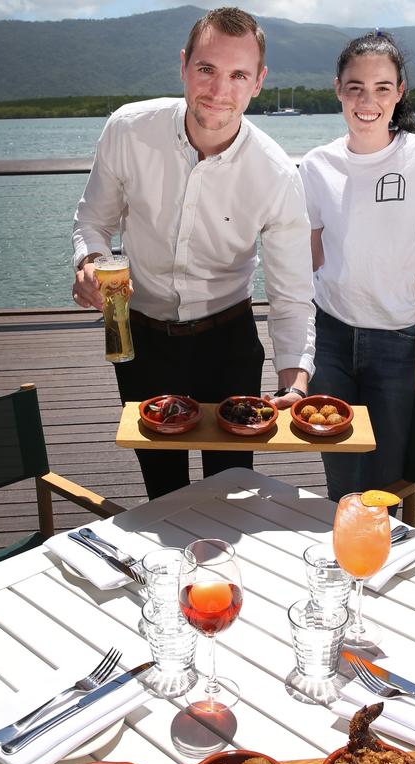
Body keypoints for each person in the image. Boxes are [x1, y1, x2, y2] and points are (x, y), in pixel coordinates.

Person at [72, 7, 315, 499]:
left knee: (229, 487)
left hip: (228, 342)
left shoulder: (277, 175)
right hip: (139, 338)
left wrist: (294, 382)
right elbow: (92, 220)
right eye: (206, 69)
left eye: (238, 75)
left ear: (258, 82)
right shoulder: (127, 130)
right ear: (184, 65)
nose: (219, 90)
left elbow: (291, 293)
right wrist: (89, 261)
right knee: (161, 488)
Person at [298, 30, 415, 502]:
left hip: (398, 342)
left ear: (400, 92)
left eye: (381, 88)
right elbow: (308, 270)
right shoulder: (315, 166)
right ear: (338, 89)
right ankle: (345, 570)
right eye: (355, 87)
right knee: (343, 483)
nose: (366, 100)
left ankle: (385, 571)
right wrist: (298, 360)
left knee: (390, 485)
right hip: (330, 338)